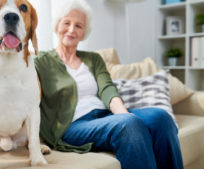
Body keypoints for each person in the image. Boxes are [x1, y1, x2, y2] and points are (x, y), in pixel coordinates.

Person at [34, 0, 184, 169]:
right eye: (66, 23)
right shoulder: (40, 61)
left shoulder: (93, 59)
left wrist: (123, 114)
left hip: (104, 115)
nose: (71, 29)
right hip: (71, 126)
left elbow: (108, 89)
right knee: (128, 126)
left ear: (84, 32)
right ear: (56, 25)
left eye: (78, 25)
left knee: (161, 118)